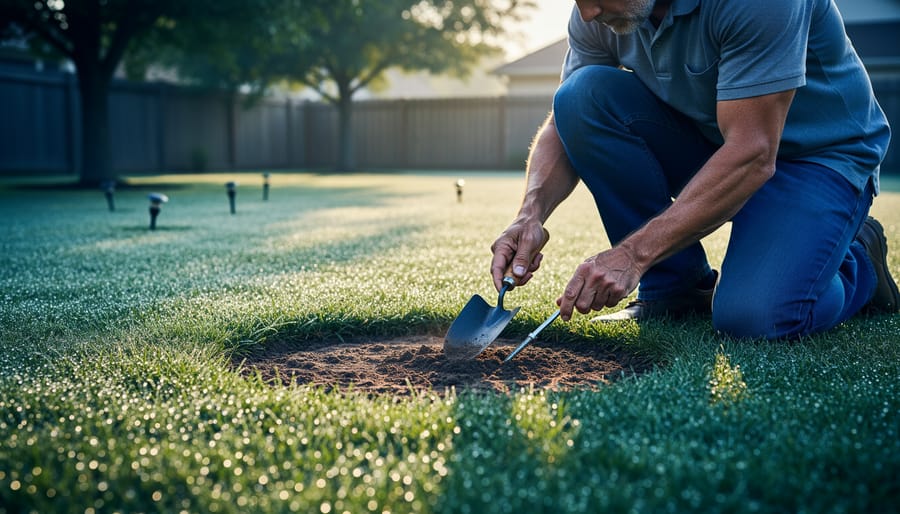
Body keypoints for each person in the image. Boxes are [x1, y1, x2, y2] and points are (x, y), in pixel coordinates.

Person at [490, 0, 898, 339]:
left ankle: (859, 259)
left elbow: (753, 153)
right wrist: (530, 215)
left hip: (817, 156)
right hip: (717, 139)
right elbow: (568, 121)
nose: (588, 12)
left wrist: (632, 255)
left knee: (756, 319)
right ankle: (674, 289)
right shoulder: (599, 15)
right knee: (581, 97)